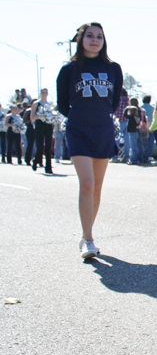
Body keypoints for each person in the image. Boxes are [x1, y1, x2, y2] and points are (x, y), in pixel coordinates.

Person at [56, 22, 123, 260]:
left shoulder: (113, 68)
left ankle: (87, 236)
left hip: (103, 130)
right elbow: (63, 104)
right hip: (78, 130)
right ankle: (88, 239)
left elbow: (115, 101)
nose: (95, 40)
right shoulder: (69, 69)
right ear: (81, 39)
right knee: (86, 183)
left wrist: (99, 118)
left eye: (99, 36)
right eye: (90, 36)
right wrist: (82, 117)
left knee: (96, 187)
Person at [30, 88, 55, 174]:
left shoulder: (50, 104)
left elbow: (54, 115)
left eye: (46, 92)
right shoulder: (36, 104)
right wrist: (41, 116)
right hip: (39, 124)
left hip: (48, 125)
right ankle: (36, 160)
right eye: (43, 92)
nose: (44, 94)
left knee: (48, 146)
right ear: (40, 93)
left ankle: (48, 168)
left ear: (47, 94)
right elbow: (32, 117)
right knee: (40, 146)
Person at [123, 98, 142, 165]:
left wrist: (127, 108)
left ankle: (133, 160)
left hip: (132, 132)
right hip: (136, 131)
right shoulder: (137, 117)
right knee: (137, 146)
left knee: (133, 147)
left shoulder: (131, 117)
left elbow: (125, 114)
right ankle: (138, 158)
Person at [140, 94, 155, 163]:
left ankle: (142, 155)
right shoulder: (152, 108)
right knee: (150, 142)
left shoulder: (140, 108)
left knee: (142, 142)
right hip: (151, 126)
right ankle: (148, 155)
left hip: (142, 127)